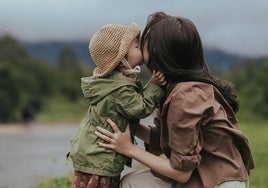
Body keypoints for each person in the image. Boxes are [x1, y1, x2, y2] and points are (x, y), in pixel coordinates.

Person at [95, 12, 255, 188]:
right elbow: (169, 139)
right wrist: (130, 123)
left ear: (157, 51)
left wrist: (129, 149)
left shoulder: (185, 96)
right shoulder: (185, 88)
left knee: (132, 184)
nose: (140, 48)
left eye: (144, 43)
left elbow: (181, 172)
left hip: (217, 181)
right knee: (132, 182)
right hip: (212, 175)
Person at [68, 22, 166, 188]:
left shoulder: (112, 82)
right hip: (100, 159)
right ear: (122, 59)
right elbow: (139, 108)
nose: (141, 48)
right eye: (136, 46)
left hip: (94, 154)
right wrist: (154, 86)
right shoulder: (119, 88)